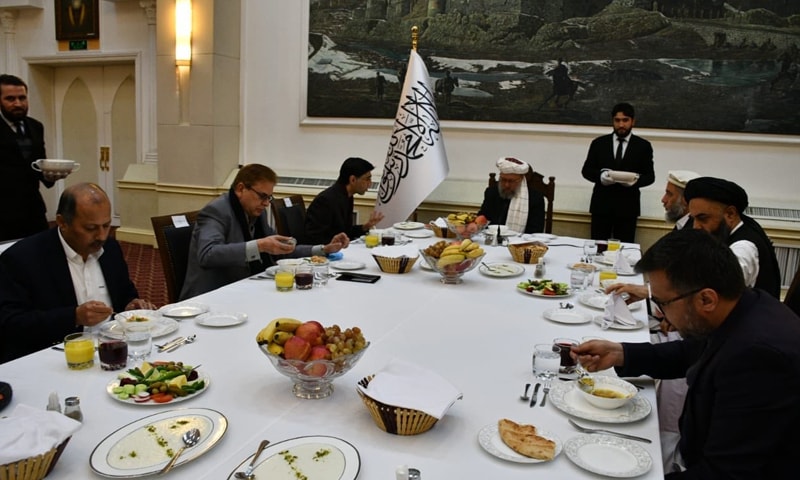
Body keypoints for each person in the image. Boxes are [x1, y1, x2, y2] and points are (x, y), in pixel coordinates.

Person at [575, 229, 800, 478]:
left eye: (662, 303)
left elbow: (725, 473)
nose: (660, 313)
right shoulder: (743, 305)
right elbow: (691, 351)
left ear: (706, 299)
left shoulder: (758, 357)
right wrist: (621, 353)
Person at [0, 183, 153, 364]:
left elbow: (125, 292)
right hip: (55, 358)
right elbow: (10, 323)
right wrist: (73, 317)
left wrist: (130, 305)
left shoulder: (110, 249)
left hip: (112, 351)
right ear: (62, 222)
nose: (101, 236)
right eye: (90, 228)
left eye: (106, 225)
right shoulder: (23, 259)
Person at [180, 164, 349, 300]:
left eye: (269, 197)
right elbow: (208, 254)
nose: (266, 203)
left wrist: (323, 249)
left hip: (244, 288)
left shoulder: (256, 212)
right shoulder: (216, 211)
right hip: (211, 297)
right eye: (262, 196)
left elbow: (278, 250)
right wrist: (259, 245)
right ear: (240, 189)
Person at [683, 176, 781, 298]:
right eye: (694, 219)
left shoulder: (744, 248)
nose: (696, 227)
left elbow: (714, 296)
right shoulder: (736, 228)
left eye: (703, 218)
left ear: (730, 214)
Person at [0, 74, 65, 241]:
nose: (18, 104)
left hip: (33, 210)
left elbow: (38, 165)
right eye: (10, 99)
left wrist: (51, 175)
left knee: (39, 257)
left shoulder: (35, 126)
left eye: (22, 98)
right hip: (3, 214)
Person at [581, 102, 655, 243]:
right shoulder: (599, 143)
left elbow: (650, 177)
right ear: (613, 121)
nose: (621, 125)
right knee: (598, 247)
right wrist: (601, 177)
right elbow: (586, 171)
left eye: (625, 120)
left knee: (625, 250)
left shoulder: (643, 146)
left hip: (628, 208)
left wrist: (634, 181)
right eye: (617, 120)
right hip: (601, 206)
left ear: (633, 121)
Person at [304, 157, 385, 244]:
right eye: (367, 179)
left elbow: (346, 231)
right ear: (353, 180)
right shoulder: (326, 200)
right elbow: (313, 238)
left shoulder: (347, 196)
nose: (370, 183)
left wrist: (366, 226)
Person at [477, 157, 545, 234]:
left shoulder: (535, 198)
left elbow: (536, 230)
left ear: (521, 180)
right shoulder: (491, 192)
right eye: (503, 180)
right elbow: (483, 217)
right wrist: (475, 224)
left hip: (521, 242)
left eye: (511, 181)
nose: (507, 185)